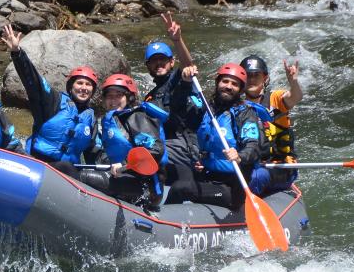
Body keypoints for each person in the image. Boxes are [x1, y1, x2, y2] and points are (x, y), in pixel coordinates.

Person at [1, 25, 98, 174]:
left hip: (68, 176)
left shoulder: (90, 120)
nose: (84, 88)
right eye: (79, 83)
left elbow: (94, 153)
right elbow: (33, 81)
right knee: (66, 167)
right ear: (71, 87)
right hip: (38, 165)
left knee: (70, 169)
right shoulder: (54, 101)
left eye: (88, 85)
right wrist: (17, 53)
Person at [167, 63, 262, 209]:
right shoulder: (207, 108)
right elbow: (177, 110)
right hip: (205, 174)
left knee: (180, 189)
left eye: (234, 84)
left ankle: (164, 224)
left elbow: (253, 146)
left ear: (241, 90)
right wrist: (185, 84)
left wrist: (239, 156)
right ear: (217, 83)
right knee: (165, 169)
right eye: (225, 81)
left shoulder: (245, 114)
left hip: (230, 186)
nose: (229, 86)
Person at [78, 74, 167, 210]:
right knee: (70, 170)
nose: (113, 100)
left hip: (144, 187)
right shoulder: (111, 121)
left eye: (118, 95)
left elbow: (155, 150)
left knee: (83, 177)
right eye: (109, 96)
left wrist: (125, 164)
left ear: (129, 97)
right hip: (121, 178)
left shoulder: (137, 117)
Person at [143, 13, 205, 185]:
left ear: (171, 62)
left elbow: (188, 66)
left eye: (163, 59)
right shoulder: (150, 96)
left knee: (149, 152)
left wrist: (177, 40)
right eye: (154, 61)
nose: (159, 64)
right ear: (148, 66)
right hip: (165, 142)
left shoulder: (178, 79)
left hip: (184, 144)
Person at [241, 55, 303, 195]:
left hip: (280, 167)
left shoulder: (275, 99)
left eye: (256, 75)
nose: (251, 79)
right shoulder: (236, 106)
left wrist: (293, 83)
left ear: (265, 78)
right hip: (251, 164)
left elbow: (295, 97)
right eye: (247, 75)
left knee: (257, 177)